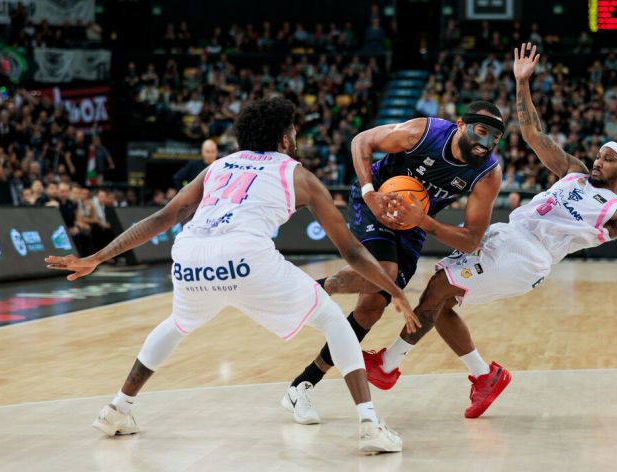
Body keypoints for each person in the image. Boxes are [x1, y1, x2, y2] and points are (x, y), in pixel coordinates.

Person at [45, 97, 419, 454]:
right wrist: (395, 291)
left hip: (190, 257)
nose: (295, 138)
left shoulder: (219, 166)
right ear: (284, 139)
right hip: (246, 258)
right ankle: (369, 425)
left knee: (176, 324)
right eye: (293, 132)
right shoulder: (299, 175)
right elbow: (351, 251)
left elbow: (164, 217)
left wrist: (98, 257)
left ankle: (117, 408)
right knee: (334, 322)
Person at [363, 43, 617, 419]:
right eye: (599, 154)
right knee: (442, 305)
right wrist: (522, 82)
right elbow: (532, 132)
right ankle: (485, 377)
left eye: (608, 159)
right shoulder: (574, 171)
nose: (597, 160)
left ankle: (388, 365)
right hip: (507, 235)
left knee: (439, 287)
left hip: (526, 255)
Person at [285, 100, 504, 423]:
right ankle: (304, 292)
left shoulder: (487, 173)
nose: (486, 143)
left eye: (495, 138)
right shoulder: (424, 132)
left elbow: (471, 240)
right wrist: (369, 192)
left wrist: (424, 222)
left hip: (414, 224)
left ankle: (301, 384)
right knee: (384, 273)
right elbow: (362, 141)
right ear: (461, 125)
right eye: (481, 131)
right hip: (375, 201)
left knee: (371, 308)